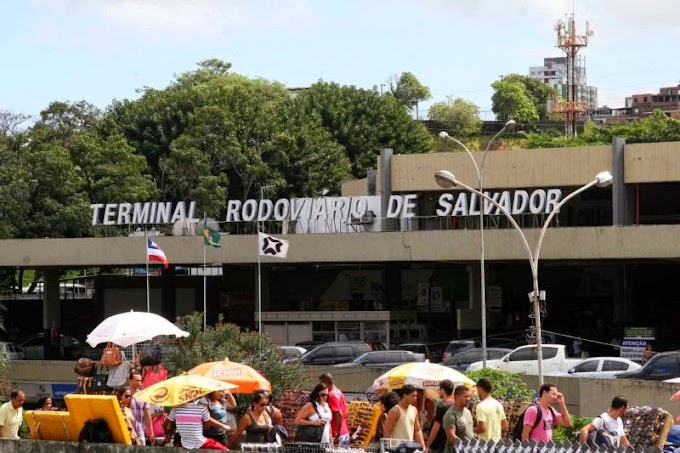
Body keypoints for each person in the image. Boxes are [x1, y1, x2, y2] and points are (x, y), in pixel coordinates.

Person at [319, 373, 350, 446]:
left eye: (321, 384)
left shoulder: (331, 395)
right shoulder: (339, 392)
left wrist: (337, 434)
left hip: (337, 434)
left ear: (326, 383)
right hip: (344, 432)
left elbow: (338, 414)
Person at [474, 377, 508, 442]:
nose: (477, 392)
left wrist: (472, 430)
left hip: (485, 445)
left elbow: (482, 428)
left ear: (480, 388)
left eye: (477, 389)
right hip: (497, 444)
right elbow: (505, 426)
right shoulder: (498, 404)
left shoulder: (481, 406)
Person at [425, 380, 455, 453]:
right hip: (451, 443)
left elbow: (436, 427)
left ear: (443, 390)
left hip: (440, 444)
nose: (439, 392)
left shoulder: (441, 406)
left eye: (439, 389)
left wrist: (428, 445)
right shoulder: (456, 405)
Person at [442, 385, 473, 452]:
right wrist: (465, 448)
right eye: (466, 396)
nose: (468, 399)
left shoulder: (468, 412)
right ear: (457, 396)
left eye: (469, 396)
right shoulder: (450, 414)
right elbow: (451, 437)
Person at [128, 370, 155, 446]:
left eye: (140, 380)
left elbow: (147, 415)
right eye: (137, 380)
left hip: (139, 431)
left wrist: (151, 432)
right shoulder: (124, 394)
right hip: (126, 430)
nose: (139, 383)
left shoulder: (143, 395)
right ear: (130, 380)